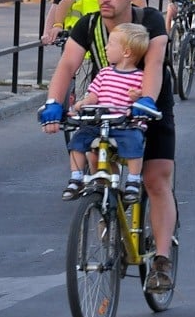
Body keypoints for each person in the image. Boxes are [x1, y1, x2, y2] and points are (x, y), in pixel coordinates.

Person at [38, 0, 177, 292]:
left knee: (156, 179)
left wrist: (147, 100)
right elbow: (68, 65)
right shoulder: (89, 25)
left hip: (149, 104)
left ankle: (161, 259)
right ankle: (106, 212)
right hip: (109, 103)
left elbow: (155, 64)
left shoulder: (150, 20)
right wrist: (53, 103)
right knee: (92, 158)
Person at [63, 23, 149, 203]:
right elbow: (94, 95)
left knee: (135, 141)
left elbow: (147, 97)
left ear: (126, 52)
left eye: (110, 44)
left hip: (125, 125)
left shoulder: (140, 77)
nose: (105, 47)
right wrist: (83, 103)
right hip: (100, 123)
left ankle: (133, 180)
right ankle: (76, 177)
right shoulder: (104, 73)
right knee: (77, 141)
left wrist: (139, 97)